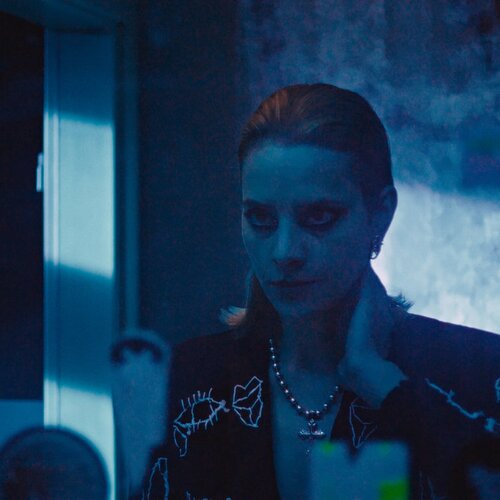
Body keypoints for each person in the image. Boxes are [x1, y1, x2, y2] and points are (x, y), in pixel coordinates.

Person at [143, 84, 500, 499]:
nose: (284, 252)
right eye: (260, 218)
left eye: (319, 217)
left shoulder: (479, 371)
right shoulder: (187, 380)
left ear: (380, 215)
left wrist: (385, 386)